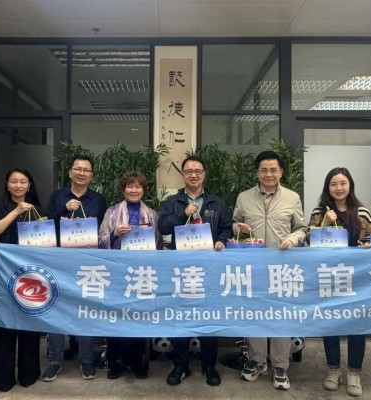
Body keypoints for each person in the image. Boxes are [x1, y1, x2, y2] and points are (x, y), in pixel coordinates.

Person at [232, 150, 308, 391]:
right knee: (255, 314)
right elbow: (233, 222)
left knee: (281, 317)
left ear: (281, 172)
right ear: (257, 173)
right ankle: (256, 361)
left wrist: (293, 239)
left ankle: (280, 366)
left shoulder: (292, 197)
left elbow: (302, 228)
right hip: (253, 266)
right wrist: (239, 228)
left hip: (282, 266)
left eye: (273, 170)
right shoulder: (244, 197)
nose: (268, 174)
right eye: (264, 170)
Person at [158, 155, 232, 387]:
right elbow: (162, 227)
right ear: (183, 175)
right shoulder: (173, 202)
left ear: (204, 175)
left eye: (198, 171)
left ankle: (209, 366)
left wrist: (221, 241)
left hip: (209, 268)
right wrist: (183, 213)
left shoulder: (217, 202)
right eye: (189, 171)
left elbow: (227, 228)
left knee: (209, 316)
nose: (193, 175)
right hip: (181, 267)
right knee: (181, 316)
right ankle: (181, 365)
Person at [308, 167, 371, 397]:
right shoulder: (319, 211)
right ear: (328, 187)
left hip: (357, 278)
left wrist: (368, 245)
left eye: (343, 183)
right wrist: (325, 222)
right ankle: (333, 369)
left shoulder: (362, 212)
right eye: (333, 184)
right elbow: (309, 241)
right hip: (328, 275)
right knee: (331, 324)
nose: (338, 188)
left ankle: (354, 372)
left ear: (350, 185)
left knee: (357, 325)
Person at [43, 155, 107, 382]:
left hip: (87, 263)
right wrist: (63, 208)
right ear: (70, 172)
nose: (81, 173)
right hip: (59, 262)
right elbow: (45, 226)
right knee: (56, 308)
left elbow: (103, 232)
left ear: (92, 175)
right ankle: (54, 360)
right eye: (77, 169)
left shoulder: (99, 200)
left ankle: (87, 359)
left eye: (86, 170)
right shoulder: (57, 196)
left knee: (86, 310)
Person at [98, 172, 161, 380]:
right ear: (123, 189)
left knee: (139, 316)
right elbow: (99, 241)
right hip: (117, 271)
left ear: (144, 190)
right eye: (130, 186)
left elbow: (158, 244)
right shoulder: (112, 212)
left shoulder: (152, 215)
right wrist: (115, 233)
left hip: (142, 273)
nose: (134, 190)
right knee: (116, 315)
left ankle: (137, 361)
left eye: (138, 186)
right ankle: (116, 361)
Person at [0, 167, 43, 392]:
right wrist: (17, 211)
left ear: (29, 186)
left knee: (30, 322)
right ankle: (3, 377)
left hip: (31, 274)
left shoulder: (38, 210)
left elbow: (47, 240)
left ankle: (29, 373)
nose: (18, 185)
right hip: (4, 274)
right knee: (4, 323)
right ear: (7, 185)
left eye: (23, 182)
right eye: (13, 181)